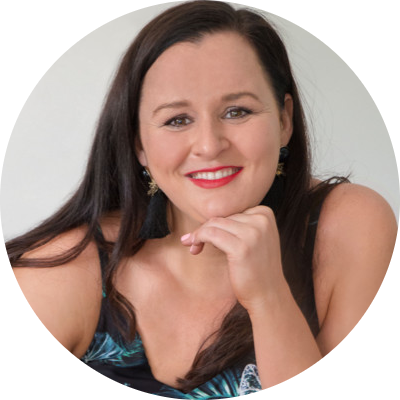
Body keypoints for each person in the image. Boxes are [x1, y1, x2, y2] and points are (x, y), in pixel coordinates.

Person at [7, 1, 397, 398]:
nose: (209, 145)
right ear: (139, 144)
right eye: (177, 120)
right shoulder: (67, 271)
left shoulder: (350, 226)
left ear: (284, 121)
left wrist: (268, 297)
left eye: (237, 111)